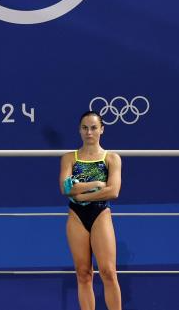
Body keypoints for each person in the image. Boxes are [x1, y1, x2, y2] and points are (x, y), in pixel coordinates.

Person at [59, 111, 123, 310]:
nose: (89, 132)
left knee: (108, 272)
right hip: (76, 217)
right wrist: (96, 183)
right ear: (79, 130)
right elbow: (65, 188)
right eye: (85, 128)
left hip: (100, 214)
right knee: (83, 273)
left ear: (102, 129)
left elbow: (113, 191)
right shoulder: (69, 158)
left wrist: (81, 195)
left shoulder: (111, 158)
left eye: (94, 127)